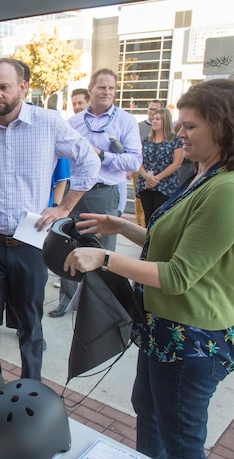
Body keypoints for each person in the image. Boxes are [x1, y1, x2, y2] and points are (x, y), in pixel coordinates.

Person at [64, 79, 234, 459]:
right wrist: (121, 226)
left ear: (224, 127)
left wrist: (105, 258)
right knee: (149, 416)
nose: (179, 133)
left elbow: (177, 275)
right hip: (164, 331)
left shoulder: (231, 189)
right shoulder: (206, 174)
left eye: (190, 126)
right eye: (180, 123)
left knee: (181, 440)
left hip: (192, 342)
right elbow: (171, 241)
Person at [0, 57, 100, 379]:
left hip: (30, 243)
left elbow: (88, 161)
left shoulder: (49, 123)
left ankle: (32, 388)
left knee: (30, 322)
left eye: (4, 87)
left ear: (23, 87)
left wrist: (64, 208)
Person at [49, 68, 142, 318]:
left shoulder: (125, 121)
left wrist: (102, 155)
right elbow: (58, 156)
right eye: (102, 87)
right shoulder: (75, 122)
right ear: (90, 89)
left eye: (112, 88)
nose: (107, 92)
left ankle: (99, 306)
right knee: (68, 243)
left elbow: (134, 162)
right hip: (75, 191)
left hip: (104, 192)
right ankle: (66, 301)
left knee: (103, 249)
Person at [136, 108, 184, 223]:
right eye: (153, 119)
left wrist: (157, 178)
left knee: (160, 219)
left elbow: (177, 163)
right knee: (148, 218)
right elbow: (137, 160)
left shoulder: (175, 140)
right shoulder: (145, 140)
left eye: (158, 119)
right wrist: (147, 177)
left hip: (165, 185)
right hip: (146, 184)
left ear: (165, 121)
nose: (154, 121)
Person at [133, 100, 164, 227]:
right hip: (141, 171)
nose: (152, 113)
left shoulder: (171, 136)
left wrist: (156, 177)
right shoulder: (139, 127)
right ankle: (141, 228)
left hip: (160, 176)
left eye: (156, 110)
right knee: (140, 202)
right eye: (150, 109)